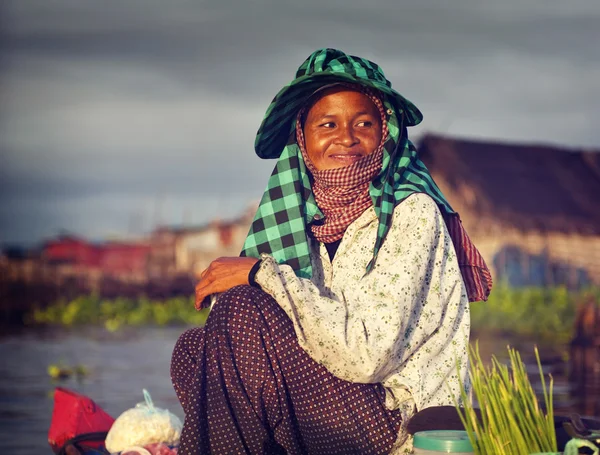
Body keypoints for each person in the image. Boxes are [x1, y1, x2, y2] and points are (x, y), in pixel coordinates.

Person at [171, 48, 492, 454]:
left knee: (242, 308)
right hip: (332, 406)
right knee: (194, 350)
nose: (346, 137)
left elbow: (368, 356)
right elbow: (233, 337)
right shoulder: (299, 221)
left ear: (385, 132)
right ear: (303, 138)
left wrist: (262, 274)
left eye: (363, 122)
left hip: (396, 423)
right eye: (328, 124)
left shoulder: (412, 212)